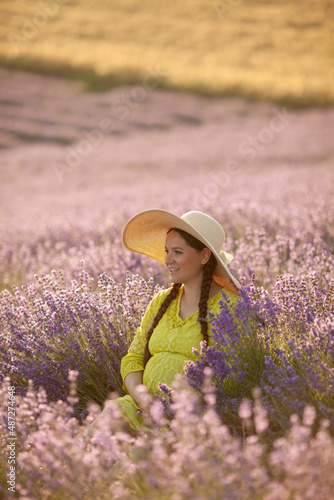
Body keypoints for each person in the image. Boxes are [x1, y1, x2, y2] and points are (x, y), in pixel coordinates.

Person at [86, 209, 241, 436]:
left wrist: (174, 412)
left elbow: (230, 375)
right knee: (88, 445)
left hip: (186, 423)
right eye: (167, 251)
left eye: (177, 252)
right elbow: (133, 360)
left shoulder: (230, 307)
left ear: (204, 256)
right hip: (139, 408)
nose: (167, 260)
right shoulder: (161, 301)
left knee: (127, 469)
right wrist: (146, 403)